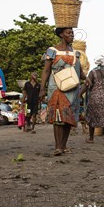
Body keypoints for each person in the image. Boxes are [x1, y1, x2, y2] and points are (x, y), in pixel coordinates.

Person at [39, 27, 86, 156]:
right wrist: (42, 89)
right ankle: (58, 146)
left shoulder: (76, 53)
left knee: (68, 118)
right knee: (58, 117)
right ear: (61, 34)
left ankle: (64, 146)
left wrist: (89, 78)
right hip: (57, 89)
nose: (71, 35)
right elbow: (46, 71)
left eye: (72, 32)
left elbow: (80, 73)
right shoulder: (52, 51)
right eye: (68, 33)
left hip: (73, 90)